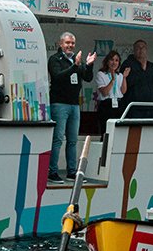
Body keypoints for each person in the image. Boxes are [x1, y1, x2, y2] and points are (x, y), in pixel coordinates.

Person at [48, 31, 96, 182]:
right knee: (57, 139)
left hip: (74, 105)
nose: (70, 45)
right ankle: (52, 171)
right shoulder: (55, 59)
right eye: (67, 43)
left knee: (73, 140)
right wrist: (74, 66)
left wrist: (88, 65)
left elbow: (88, 77)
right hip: (59, 104)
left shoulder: (76, 60)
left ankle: (71, 172)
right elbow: (58, 77)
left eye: (72, 43)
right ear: (60, 44)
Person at [123, 39, 153, 119]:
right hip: (134, 108)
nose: (141, 50)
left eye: (143, 48)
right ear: (134, 50)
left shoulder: (151, 66)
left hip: (150, 107)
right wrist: (142, 70)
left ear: (146, 50)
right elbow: (128, 83)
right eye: (138, 48)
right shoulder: (128, 64)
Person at [93, 50, 128, 125]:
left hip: (118, 104)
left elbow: (123, 91)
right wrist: (112, 80)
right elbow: (105, 93)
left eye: (116, 60)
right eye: (112, 60)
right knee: (106, 130)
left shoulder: (120, 75)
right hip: (106, 105)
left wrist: (124, 77)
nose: (114, 62)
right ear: (107, 61)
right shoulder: (101, 74)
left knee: (118, 129)